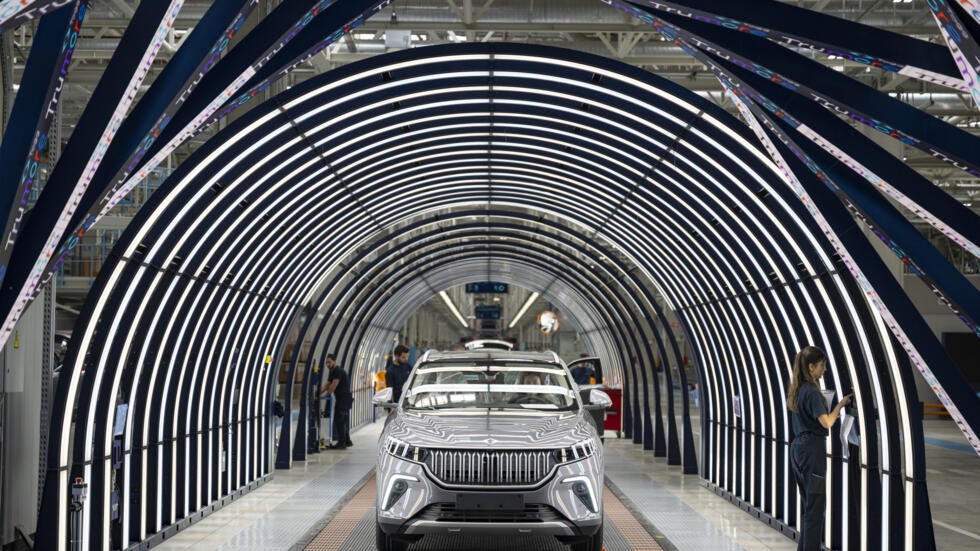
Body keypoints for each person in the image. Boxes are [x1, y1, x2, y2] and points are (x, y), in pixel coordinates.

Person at [786, 346, 852, 551]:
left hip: (797, 449)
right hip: (812, 451)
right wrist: (840, 406)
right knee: (815, 509)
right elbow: (827, 422)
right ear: (811, 366)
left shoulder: (797, 390)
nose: (824, 370)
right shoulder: (812, 392)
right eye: (822, 366)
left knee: (808, 507)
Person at [319, 354, 353, 449]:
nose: (328, 364)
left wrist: (323, 395)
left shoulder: (338, 371)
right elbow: (327, 385)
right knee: (342, 420)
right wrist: (318, 393)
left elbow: (332, 387)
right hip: (341, 399)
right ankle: (347, 441)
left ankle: (342, 443)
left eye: (329, 362)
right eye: (326, 362)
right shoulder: (332, 371)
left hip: (344, 399)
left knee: (339, 420)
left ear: (334, 361)